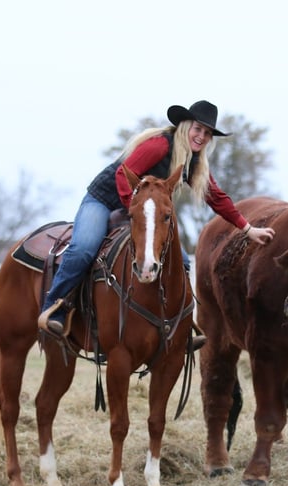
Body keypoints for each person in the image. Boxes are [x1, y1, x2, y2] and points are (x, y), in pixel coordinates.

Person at [38, 100, 276, 345]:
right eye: (198, 129)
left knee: (181, 260)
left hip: (144, 213)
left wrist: (248, 229)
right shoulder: (160, 145)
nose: (201, 136)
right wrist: (135, 208)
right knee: (84, 248)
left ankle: (179, 325)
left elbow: (217, 198)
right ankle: (55, 307)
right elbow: (123, 173)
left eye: (207, 133)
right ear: (186, 127)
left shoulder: (194, 163)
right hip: (105, 200)